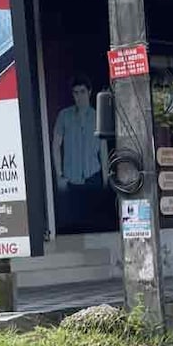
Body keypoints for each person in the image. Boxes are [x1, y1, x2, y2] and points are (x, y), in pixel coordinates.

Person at [52, 75, 109, 232]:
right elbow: (56, 145)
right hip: (71, 177)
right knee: (74, 223)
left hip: (93, 174)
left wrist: (106, 178)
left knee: (96, 220)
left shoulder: (98, 116)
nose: (79, 96)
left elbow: (103, 149)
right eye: (76, 93)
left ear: (89, 92)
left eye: (82, 92)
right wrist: (59, 175)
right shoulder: (64, 116)